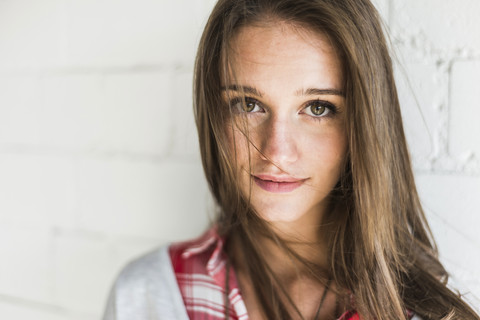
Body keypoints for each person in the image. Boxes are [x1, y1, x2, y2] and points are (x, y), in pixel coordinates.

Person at [103, 0, 480, 319]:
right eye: (248, 105)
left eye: (318, 108)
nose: (277, 152)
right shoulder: (146, 297)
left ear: (364, 124)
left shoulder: (426, 312)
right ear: (212, 114)